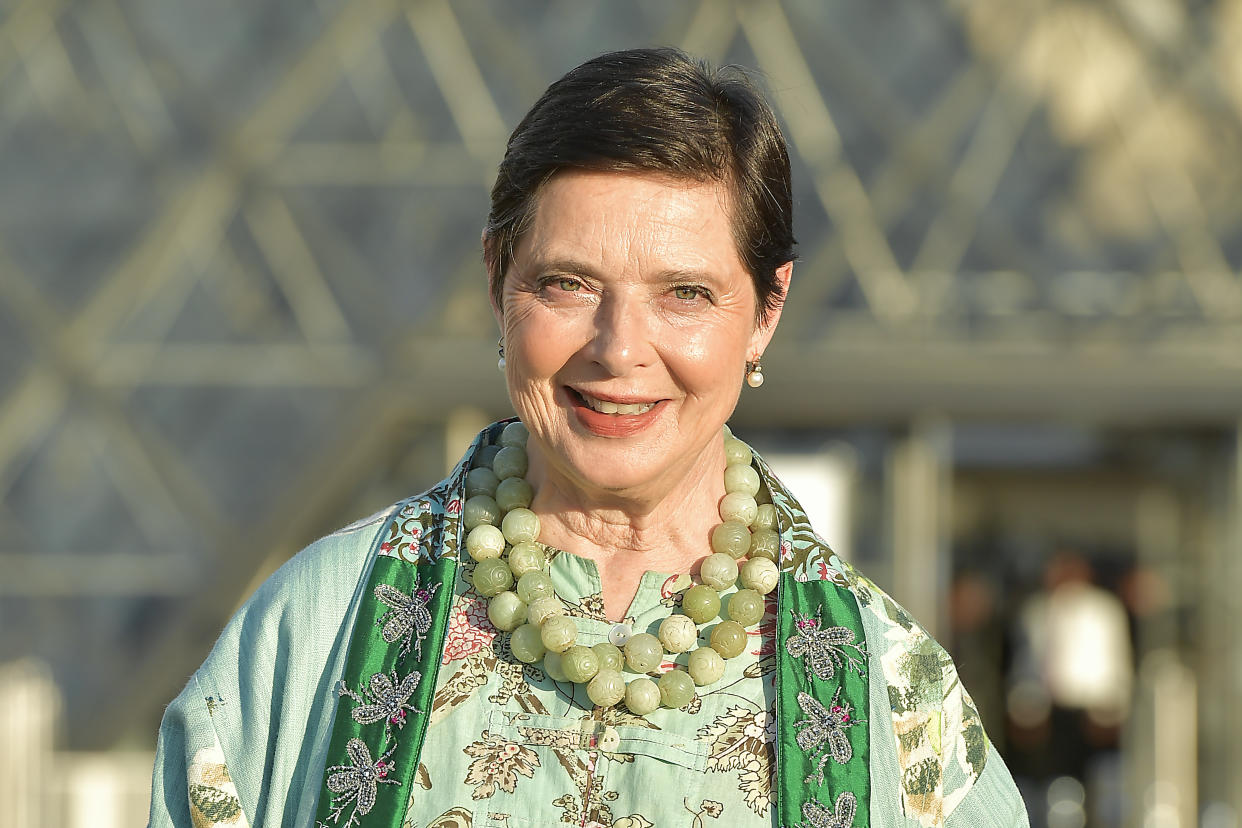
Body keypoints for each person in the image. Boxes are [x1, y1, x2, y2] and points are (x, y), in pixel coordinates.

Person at [149, 48, 1028, 828]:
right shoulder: (310, 632)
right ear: (497, 280)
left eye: (685, 293)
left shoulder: (892, 687)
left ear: (766, 312)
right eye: (568, 284)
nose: (617, 350)